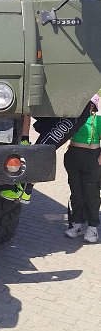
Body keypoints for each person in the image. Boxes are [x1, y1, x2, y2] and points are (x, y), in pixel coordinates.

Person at [64, 94, 101, 243]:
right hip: (73, 156)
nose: (86, 106)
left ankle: (92, 228)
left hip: (91, 157)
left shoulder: (97, 119)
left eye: (90, 103)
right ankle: (77, 224)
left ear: (94, 106)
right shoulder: (74, 119)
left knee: (91, 193)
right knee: (76, 193)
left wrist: (99, 159)